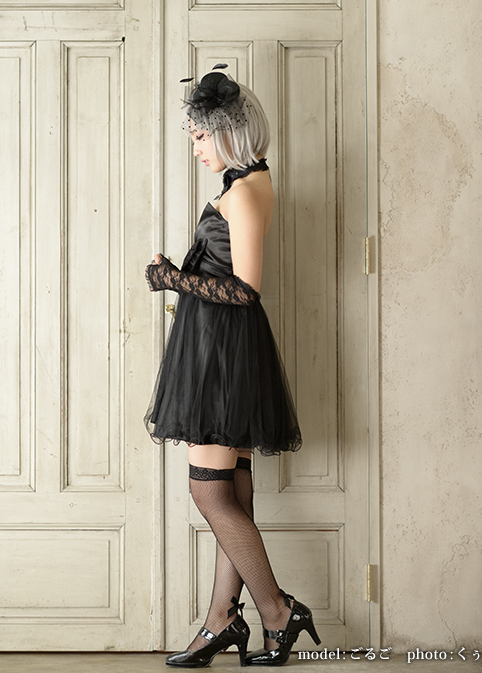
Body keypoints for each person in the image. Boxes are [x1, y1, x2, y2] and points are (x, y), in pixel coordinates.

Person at [144, 65, 321, 667]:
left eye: (201, 136)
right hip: (220, 349)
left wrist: (173, 279)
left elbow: (245, 290)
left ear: (228, 132)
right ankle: (222, 621)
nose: (195, 147)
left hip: (221, 355)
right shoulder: (247, 180)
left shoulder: (243, 192)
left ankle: (276, 611)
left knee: (209, 493)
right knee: (232, 494)